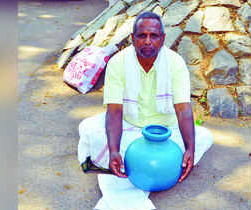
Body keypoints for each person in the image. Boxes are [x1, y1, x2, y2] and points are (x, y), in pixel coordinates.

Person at [78, 12, 213, 183]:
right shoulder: (118, 62)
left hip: (166, 130)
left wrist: (190, 149)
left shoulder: (175, 62)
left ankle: (137, 163)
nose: (148, 41)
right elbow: (114, 110)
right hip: (129, 125)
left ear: (162, 39)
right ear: (133, 39)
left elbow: (182, 108)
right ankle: (157, 164)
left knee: (203, 137)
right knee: (89, 129)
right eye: (142, 36)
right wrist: (113, 150)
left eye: (154, 36)